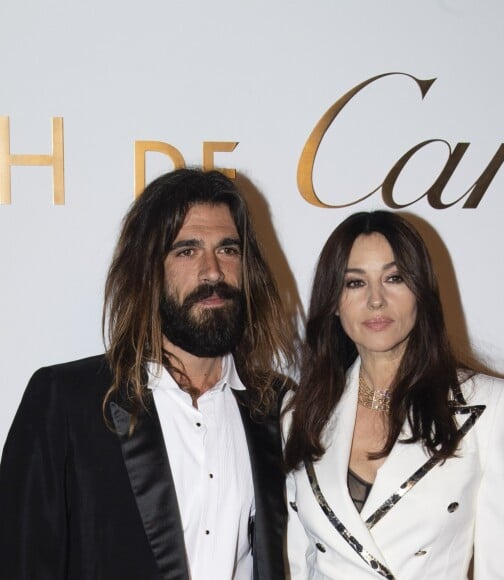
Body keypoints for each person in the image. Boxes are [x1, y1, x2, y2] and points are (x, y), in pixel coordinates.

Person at [0, 168, 294, 580]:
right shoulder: (65, 402)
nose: (212, 272)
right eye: (186, 251)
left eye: (228, 249)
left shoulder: (277, 409)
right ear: (148, 272)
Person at [283, 211, 504, 579]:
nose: (376, 300)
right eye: (355, 283)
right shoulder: (299, 414)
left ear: (420, 290)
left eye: (394, 278)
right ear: (333, 302)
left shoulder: (490, 407)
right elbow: (296, 562)